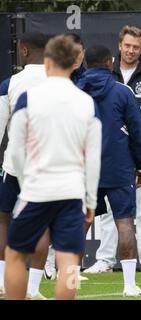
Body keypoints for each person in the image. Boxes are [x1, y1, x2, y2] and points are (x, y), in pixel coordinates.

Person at [4, 35, 101, 299]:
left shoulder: (29, 97)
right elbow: (93, 158)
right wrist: (90, 201)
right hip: (71, 193)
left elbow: (15, 150)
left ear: (47, 62)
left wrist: (26, 186)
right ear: (73, 64)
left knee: (13, 254)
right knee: (68, 262)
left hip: (36, 189)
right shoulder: (86, 102)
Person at [84, 25, 141, 275]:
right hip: (107, 153)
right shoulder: (106, 73)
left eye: (136, 47)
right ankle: (104, 259)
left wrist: (139, 134)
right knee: (108, 210)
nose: (131, 50)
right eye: (127, 45)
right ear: (119, 46)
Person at [77, 45, 141, 296]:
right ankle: (129, 286)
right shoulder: (123, 92)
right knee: (125, 223)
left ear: (86, 63)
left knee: (80, 222)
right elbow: (138, 132)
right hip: (119, 167)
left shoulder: (74, 92)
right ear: (110, 62)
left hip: (85, 168)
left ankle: (69, 277)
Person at [0, 32, 51, 299]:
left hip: (14, 164)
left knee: (3, 219)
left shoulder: (11, 83)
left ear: (24, 51)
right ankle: (32, 289)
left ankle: (2, 281)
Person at [44, 32, 87, 282]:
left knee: (72, 214)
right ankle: (47, 263)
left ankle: (66, 268)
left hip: (77, 156)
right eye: (74, 52)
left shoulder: (85, 78)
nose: (77, 57)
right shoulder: (51, 80)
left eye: (81, 53)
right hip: (53, 155)